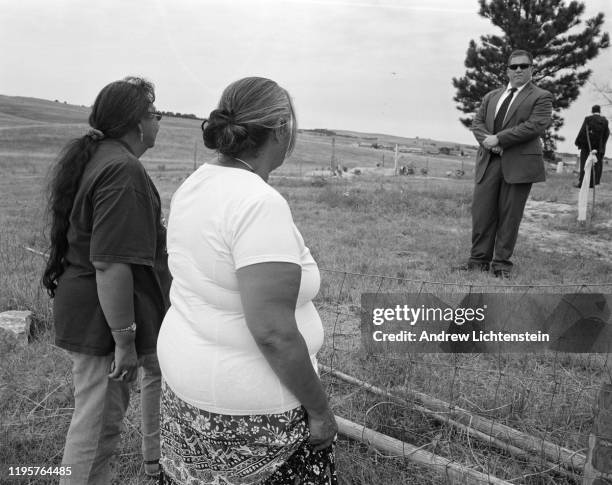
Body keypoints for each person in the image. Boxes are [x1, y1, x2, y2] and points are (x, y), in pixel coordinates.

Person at [157, 76, 338, 484]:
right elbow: (273, 331)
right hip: (250, 415)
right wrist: (320, 411)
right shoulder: (258, 204)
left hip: (188, 388)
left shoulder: (195, 183)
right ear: (280, 129)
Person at [42, 76, 171, 484]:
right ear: (136, 124)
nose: (159, 122)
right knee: (96, 432)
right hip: (104, 321)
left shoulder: (101, 158)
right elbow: (110, 265)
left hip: (93, 313)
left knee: (95, 422)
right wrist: (125, 339)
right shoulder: (122, 171)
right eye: (155, 114)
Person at [454, 49, 553, 279]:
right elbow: (477, 124)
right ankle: (478, 261)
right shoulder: (491, 96)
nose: (518, 70)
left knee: (509, 216)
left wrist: (500, 139)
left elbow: (535, 125)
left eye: (524, 66)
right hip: (489, 162)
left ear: (531, 69)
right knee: (482, 213)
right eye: (514, 66)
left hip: (518, 165)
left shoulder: (541, 96)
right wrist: (490, 144)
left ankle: (501, 266)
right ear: (507, 70)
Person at [574, 104, 609, 187]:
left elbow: (583, 132)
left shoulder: (588, 119)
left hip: (587, 147)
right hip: (599, 148)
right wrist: (602, 145)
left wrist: (578, 143)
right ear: (599, 111)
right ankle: (593, 183)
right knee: (596, 164)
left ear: (592, 111)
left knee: (584, 164)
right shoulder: (605, 121)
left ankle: (582, 183)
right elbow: (606, 134)